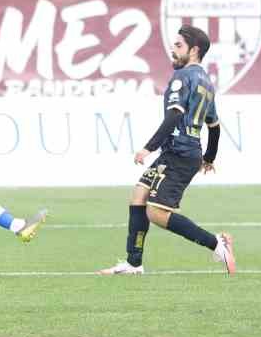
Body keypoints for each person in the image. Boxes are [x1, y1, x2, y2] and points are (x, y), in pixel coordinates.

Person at [99, 24, 235, 275]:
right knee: (139, 196)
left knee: (156, 213)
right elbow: (214, 126)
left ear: (194, 50)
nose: (173, 49)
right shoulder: (207, 82)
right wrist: (209, 157)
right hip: (182, 152)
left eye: (179, 45)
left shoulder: (182, 77)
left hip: (179, 153)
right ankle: (133, 263)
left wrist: (148, 148)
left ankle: (217, 244)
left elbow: (174, 115)